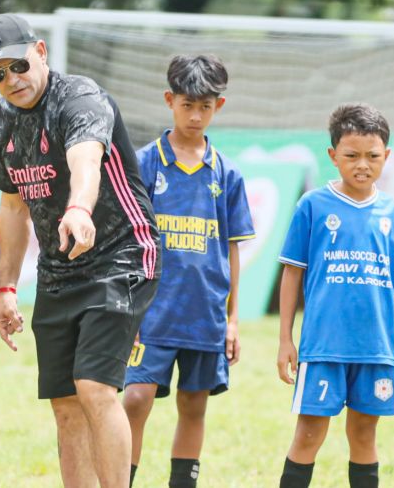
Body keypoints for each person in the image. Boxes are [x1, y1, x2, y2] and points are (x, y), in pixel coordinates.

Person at [0, 13, 160, 487]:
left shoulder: (80, 97)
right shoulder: (1, 119)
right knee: (64, 403)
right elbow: (13, 206)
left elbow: (86, 160)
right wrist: (6, 287)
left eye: (17, 65)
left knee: (94, 388)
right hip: (59, 270)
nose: (10, 80)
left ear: (40, 52)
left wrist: (79, 209)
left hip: (121, 253)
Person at [121, 55, 255, 488]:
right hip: (152, 312)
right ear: (169, 100)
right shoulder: (145, 162)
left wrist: (233, 319)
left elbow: (233, 248)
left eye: (206, 106)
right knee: (136, 399)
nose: (196, 116)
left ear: (220, 106)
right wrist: (128, 303)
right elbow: (126, 239)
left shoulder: (227, 173)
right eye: (187, 105)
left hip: (205, 314)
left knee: (194, 405)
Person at [276, 104, 394, 488]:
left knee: (363, 435)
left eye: (373, 156)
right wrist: (285, 339)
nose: (363, 164)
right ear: (333, 156)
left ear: (386, 156)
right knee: (308, 434)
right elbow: (292, 273)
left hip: (376, 348)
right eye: (352, 155)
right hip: (323, 346)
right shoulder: (312, 206)